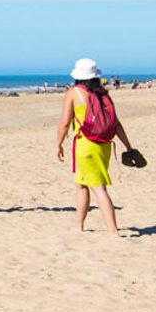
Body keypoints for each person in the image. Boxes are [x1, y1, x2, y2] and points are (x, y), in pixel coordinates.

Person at [55, 58, 135, 236]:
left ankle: (112, 230)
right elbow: (116, 123)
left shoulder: (74, 93)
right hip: (104, 145)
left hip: (85, 145)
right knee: (81, 184)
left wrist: (58, 144)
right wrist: (128, 146)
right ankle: (79, 225)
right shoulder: (102, 93)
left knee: (98, 187)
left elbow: (65, 123)